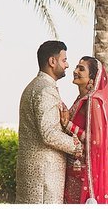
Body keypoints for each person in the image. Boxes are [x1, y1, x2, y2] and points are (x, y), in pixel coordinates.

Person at [16, 40, 83, 203]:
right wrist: (77, 146)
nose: (67, 65)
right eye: (64, 60)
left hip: (36, 173)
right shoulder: (45, 89)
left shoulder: (34, 86)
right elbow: (48, 134)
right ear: (52, 62)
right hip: (44, 176)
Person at [60, 56, 108, 204]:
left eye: (81, 69)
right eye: (76, 67)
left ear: (92, 77)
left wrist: (68, 125)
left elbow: (97, 141)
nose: (75, 71)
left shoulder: (93, 101)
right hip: (73, 169)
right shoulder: (81, 99)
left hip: (84, 174)